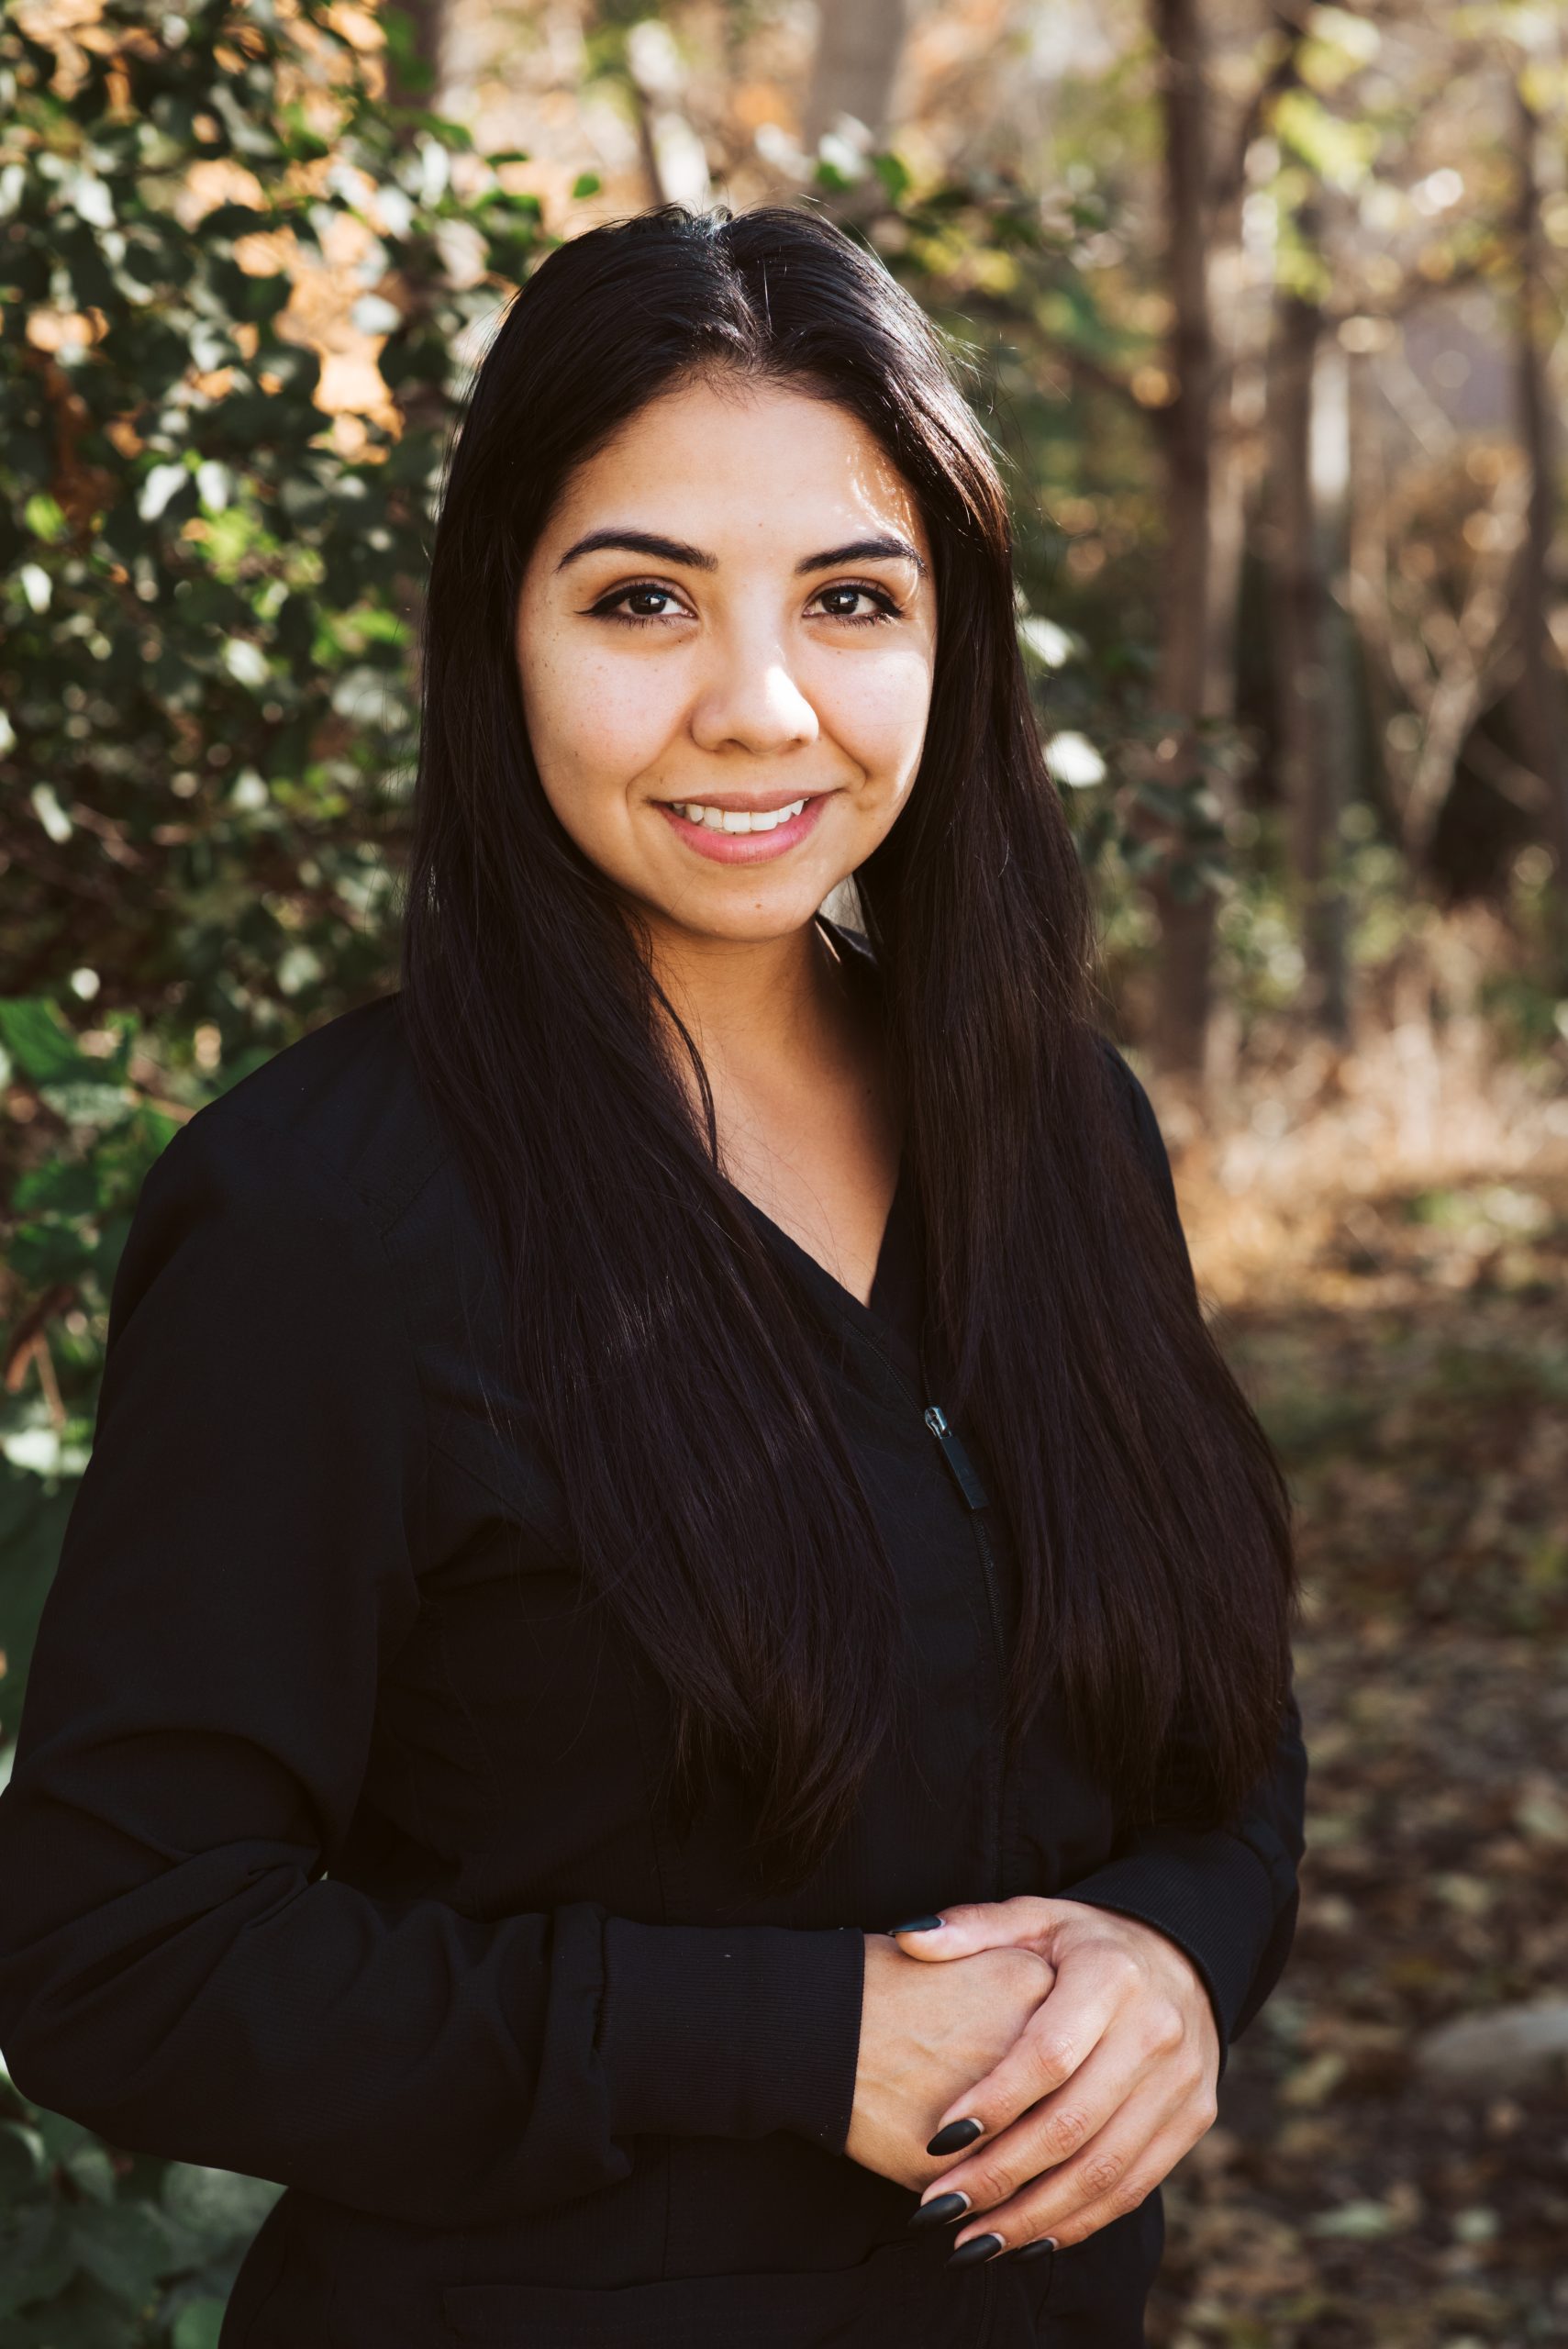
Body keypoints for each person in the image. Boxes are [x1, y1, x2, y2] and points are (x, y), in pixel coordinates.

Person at [0, 204, 1306, 2348]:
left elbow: (1221, 1739)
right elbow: (120, 1950)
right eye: (642, 599)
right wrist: (781, 2035)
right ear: (497, 626)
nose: (759, 704)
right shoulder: (326, 1218)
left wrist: (1180, 1953)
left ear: (952, 635)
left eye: (851, 597)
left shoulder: (1063, 1130)